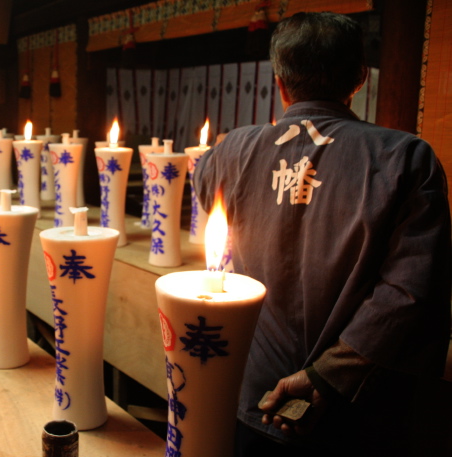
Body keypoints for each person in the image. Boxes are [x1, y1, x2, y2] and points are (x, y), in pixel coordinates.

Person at [193, 12, 451, 457]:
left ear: (279, 83)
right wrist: (325, 374)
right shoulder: (405, 157)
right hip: (352, 406)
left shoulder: (232, 149)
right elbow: (411, 292)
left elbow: (206, 200)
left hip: (254, 391)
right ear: (359, 78)